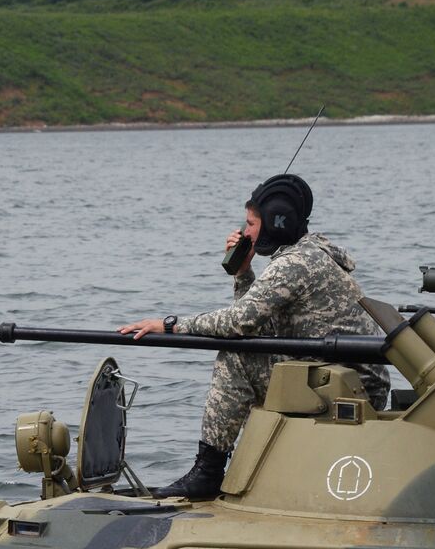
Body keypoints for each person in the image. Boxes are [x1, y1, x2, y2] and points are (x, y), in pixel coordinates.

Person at [118, 174, 390, 499]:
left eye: (250, 224)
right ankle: (227, 465)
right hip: (343, 377)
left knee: (235, 356)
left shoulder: (293, 263)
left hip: (347, 390)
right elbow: (255, 325)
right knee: (243, 348)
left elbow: (238, 322)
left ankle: (207, 472)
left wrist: (171, 324)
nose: (244, 232)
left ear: (276, 224)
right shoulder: (312, 251)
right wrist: (243, 271)